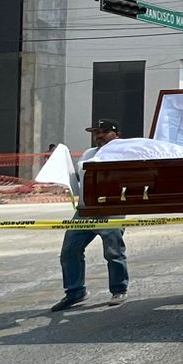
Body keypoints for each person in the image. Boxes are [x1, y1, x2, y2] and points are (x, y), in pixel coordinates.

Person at [51, 120, 130, 312]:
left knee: (113, 251)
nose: (99, 135)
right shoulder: (88, 154)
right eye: (96, 132)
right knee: (70, 250)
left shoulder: (126, 152)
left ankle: (119, 289)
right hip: (85, 210)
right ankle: (75, 292)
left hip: (111, 209)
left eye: (104, 132)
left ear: (116, 134)